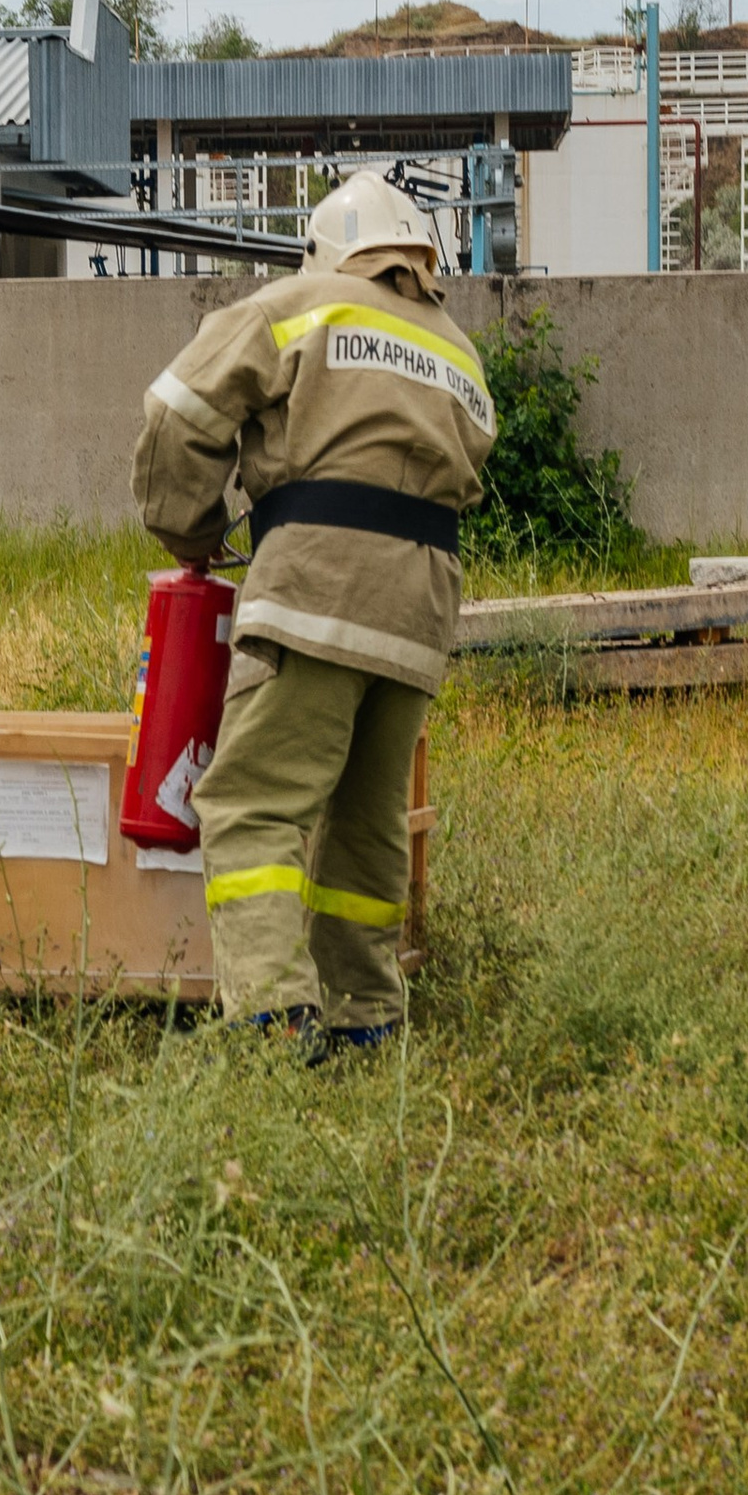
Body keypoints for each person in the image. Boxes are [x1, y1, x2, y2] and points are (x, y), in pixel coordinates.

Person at [132, 169, 494, 1061]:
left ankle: (272, 1021)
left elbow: (175, 411)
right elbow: (472, 469)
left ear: (331, 248)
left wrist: (193, 526)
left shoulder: (297, 304)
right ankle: (367, 1018)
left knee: (254, 805)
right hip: (420, 608)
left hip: (318, 591)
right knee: (367, 826)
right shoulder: (456, 348)